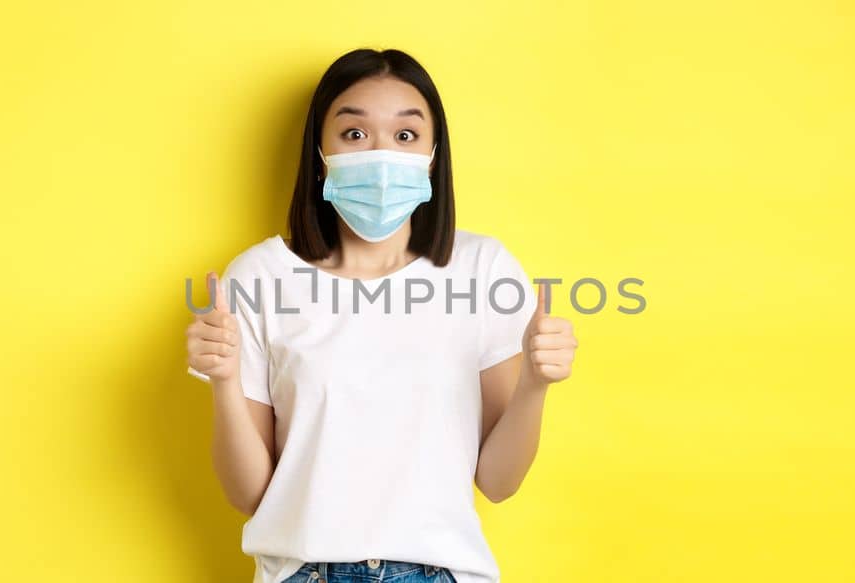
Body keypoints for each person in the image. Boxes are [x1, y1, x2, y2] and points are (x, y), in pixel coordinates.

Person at [186, 48, 578, 583]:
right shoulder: (257, 276)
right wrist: (224, 382)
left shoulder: (483, 268)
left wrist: (535, 384)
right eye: (354, 134)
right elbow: (248, 494)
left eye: (405, 135)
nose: (381, 154)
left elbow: (498, 482)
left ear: (433, 155)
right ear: (319, 152)